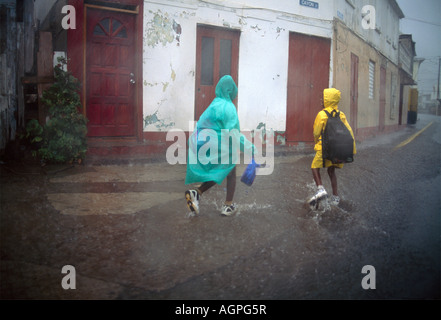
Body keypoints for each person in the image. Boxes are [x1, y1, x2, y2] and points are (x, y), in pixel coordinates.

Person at [185, 75, 255, 216]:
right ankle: (228, 206)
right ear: (231, 91)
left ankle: (196, 192)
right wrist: (250, 148)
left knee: (219, 171)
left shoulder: (214, 104)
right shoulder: (229, 108)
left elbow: (202, 124)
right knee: (230, 171)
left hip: (203, 143)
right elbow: (234, 134)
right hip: (219, 144)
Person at [307, 88, 356, 207]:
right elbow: (349, 131)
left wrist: (316, 143)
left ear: (327, 100)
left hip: (324, 148)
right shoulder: (341, 114)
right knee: (331, 170)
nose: (321, 100)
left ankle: (320, 189)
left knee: (314, 167)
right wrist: (353, 149)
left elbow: (316, 132)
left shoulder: (322, 114)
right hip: (337, 149)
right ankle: (335, 197)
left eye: (323, 98)